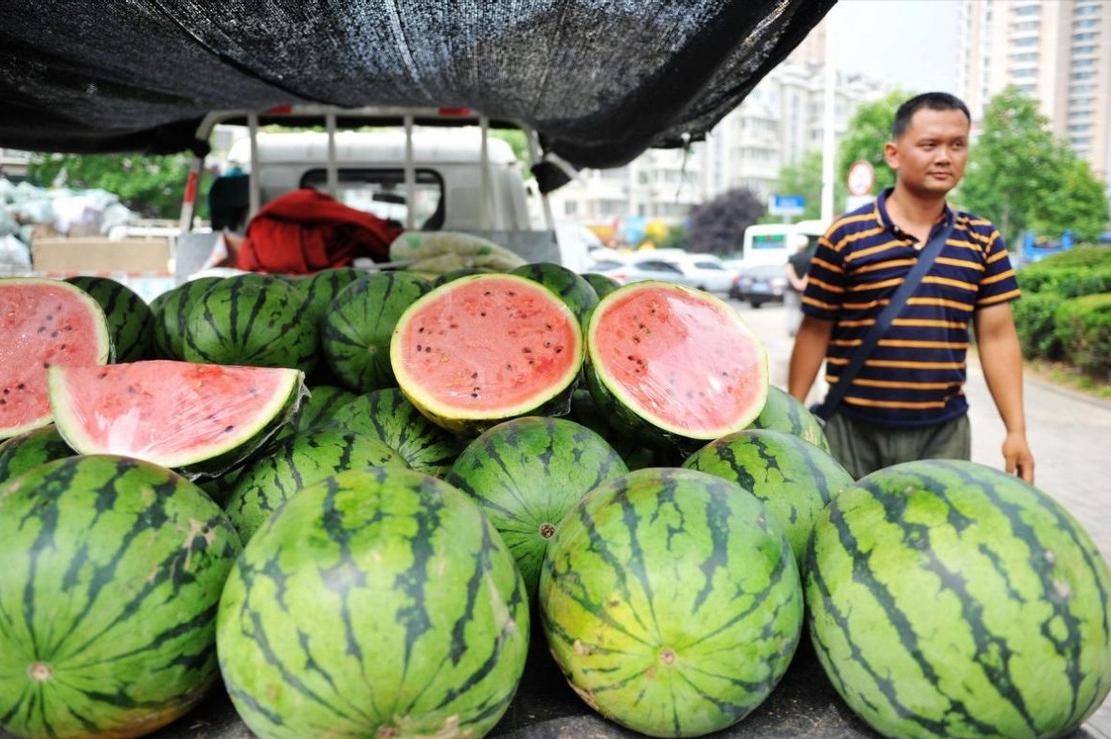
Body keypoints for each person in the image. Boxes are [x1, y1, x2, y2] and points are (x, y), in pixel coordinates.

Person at [787, 92, 1035, 483]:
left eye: (957, 145)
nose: (945, 157)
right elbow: (815, 331)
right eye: (929, 144)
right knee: (845, 521)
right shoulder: (846, 236)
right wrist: (791, 425)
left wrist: (1016, 431)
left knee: (938, 524)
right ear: (893, 153)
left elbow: (998, 338)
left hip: (943, 435)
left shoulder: (982, 239)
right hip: (851, 430)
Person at [784, 232, 812, 337]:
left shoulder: (791, 258)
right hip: (805, 288)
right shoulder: (810, 257)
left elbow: (789, 270)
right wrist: (803, 283)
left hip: (791, 288)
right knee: (802, 310)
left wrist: (795, 282)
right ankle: (800, 329)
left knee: (790, 309)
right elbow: (810, 271)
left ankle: (791, 329)